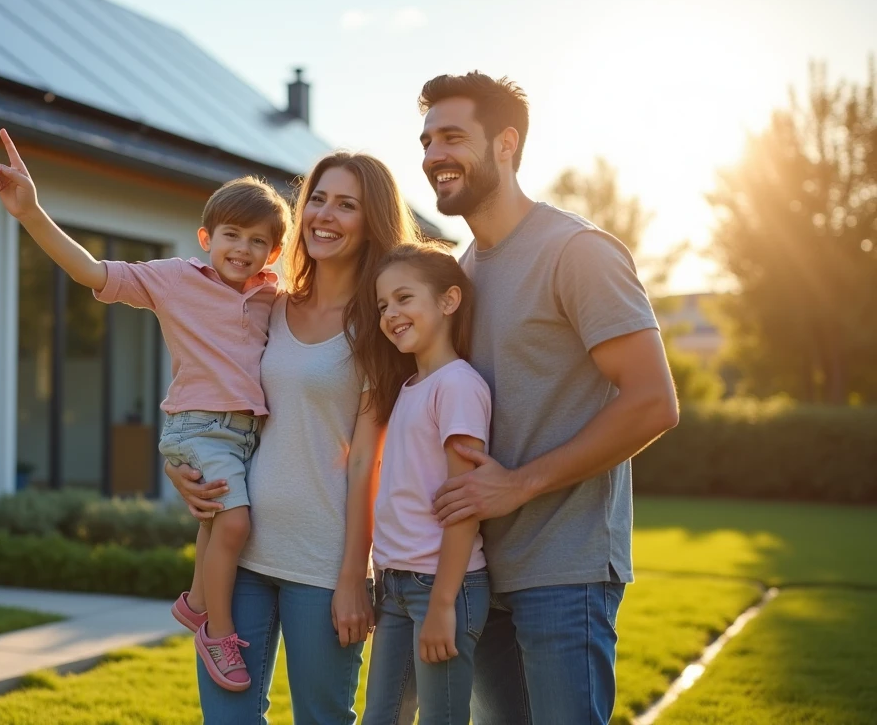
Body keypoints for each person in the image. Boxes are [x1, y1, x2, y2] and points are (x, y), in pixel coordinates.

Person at [0, 128, 291, 692]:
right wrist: (31, 213)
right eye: (231, 235)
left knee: (217, 521)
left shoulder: (274, 296)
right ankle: (217, 633)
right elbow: (90, 271)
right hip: (198, 427)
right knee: (235, 523)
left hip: (246, 433)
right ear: (206, 237)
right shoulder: (175, 279)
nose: (242, 249)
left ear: (273, 253)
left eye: (257, 241)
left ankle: (196, 602)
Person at [416, 72, 681, 724]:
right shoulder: (463, 273)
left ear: (506, 144)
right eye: (426, 141)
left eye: (452, 137)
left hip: (566, 566)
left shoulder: (576, 252)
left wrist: (519, 485)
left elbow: (653, 402)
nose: (433, 155)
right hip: (482, 570)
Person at [166, 151, 421, 724]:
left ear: (373, 221)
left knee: (322, 718)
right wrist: (180, 461)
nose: (325, 215)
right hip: (241, 556)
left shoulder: (379, 328)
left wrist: (353, 575)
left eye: (347, 205)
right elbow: (216, 401)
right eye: (319, 199)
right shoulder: (267, 305)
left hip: (322, 565)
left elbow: (367, 462)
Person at [357, 243, 493, 725]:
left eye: (404, 298)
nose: (390, 314)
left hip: (441, 586)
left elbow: (466, 502)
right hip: (395, 584)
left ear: (448, 300)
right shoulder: (410, 388)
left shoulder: (457, 386)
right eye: (382, 306)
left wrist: (442, 604)